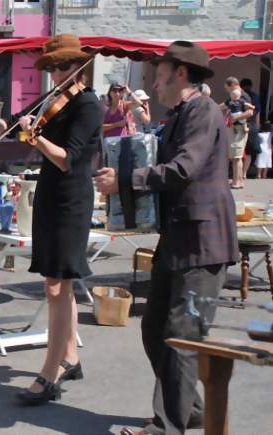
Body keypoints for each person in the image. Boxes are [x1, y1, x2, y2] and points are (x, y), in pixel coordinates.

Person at [95, 40, 239, 435]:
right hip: (177, 238)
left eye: (159, 76)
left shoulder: (204, 112)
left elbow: (182, 168)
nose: (154, 85)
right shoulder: (178, 113)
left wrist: (127, 179)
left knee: (181, 336)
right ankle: (189, 409)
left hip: (204, 241)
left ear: (180, 73)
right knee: (155, 327)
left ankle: (166, 426)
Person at [0, 34, 102, 405]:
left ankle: (51, 373)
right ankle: (72, 357)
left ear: (78, 67)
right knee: (58, 279)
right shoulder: (55, 98)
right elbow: (18, 118)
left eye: (63, 66)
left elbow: (69, 158)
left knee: (57, 285)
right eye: (51, 67)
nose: (56, 74)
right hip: (50, 194)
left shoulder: (89, 106)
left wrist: (37, 141)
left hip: (72, 199)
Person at [219, 88, 254, 189]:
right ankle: (239, 181)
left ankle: (236, 182)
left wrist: (235, 118)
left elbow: (250, 112)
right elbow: (220, 107)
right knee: (237, 157)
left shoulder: (243, 98)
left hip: (237, 130)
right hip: (236, 130)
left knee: (236, 158)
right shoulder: (231, 101)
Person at [240, 78, 262, 178]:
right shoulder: (255, 96)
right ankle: (243, 173)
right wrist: (257, 126)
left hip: (241, 125)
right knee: (248, 151)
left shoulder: (240, 96)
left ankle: (240, 173)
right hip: (252, 126)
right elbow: (257, 112)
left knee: (240, 152)